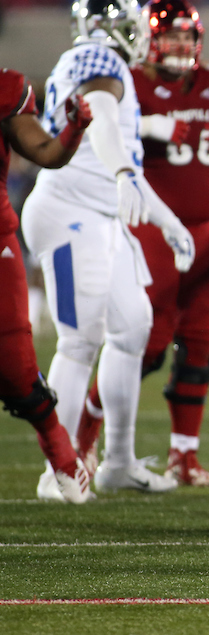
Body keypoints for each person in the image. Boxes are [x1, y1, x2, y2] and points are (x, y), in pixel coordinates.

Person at [75, 0, 209, 486]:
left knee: (201, 342)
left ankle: (183, 457)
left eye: (187, 36)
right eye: (170, 37)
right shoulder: (130, 80)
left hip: (207, 233)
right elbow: (97, 126)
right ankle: (82, 441)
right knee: (145, 344)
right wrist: (156, 126)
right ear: (148, 40)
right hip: (153, 229)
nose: (180, 45)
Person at [21, 0, 195, 496]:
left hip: (99, 216)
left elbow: (124, 160)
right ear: (115, 26)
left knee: (133, 328)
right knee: (79, 344)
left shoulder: (100, 60)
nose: (141, 35)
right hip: (72, 212)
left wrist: (167, 221)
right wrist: (121, 171)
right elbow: (97, 111)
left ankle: (117, 460)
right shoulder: (98, 58)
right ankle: (58, 471)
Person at [1, 68, 94, 503]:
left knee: (17, 367)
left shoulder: (7, 88)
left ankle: (60, 452)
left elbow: (46, 150)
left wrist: (73, 128)